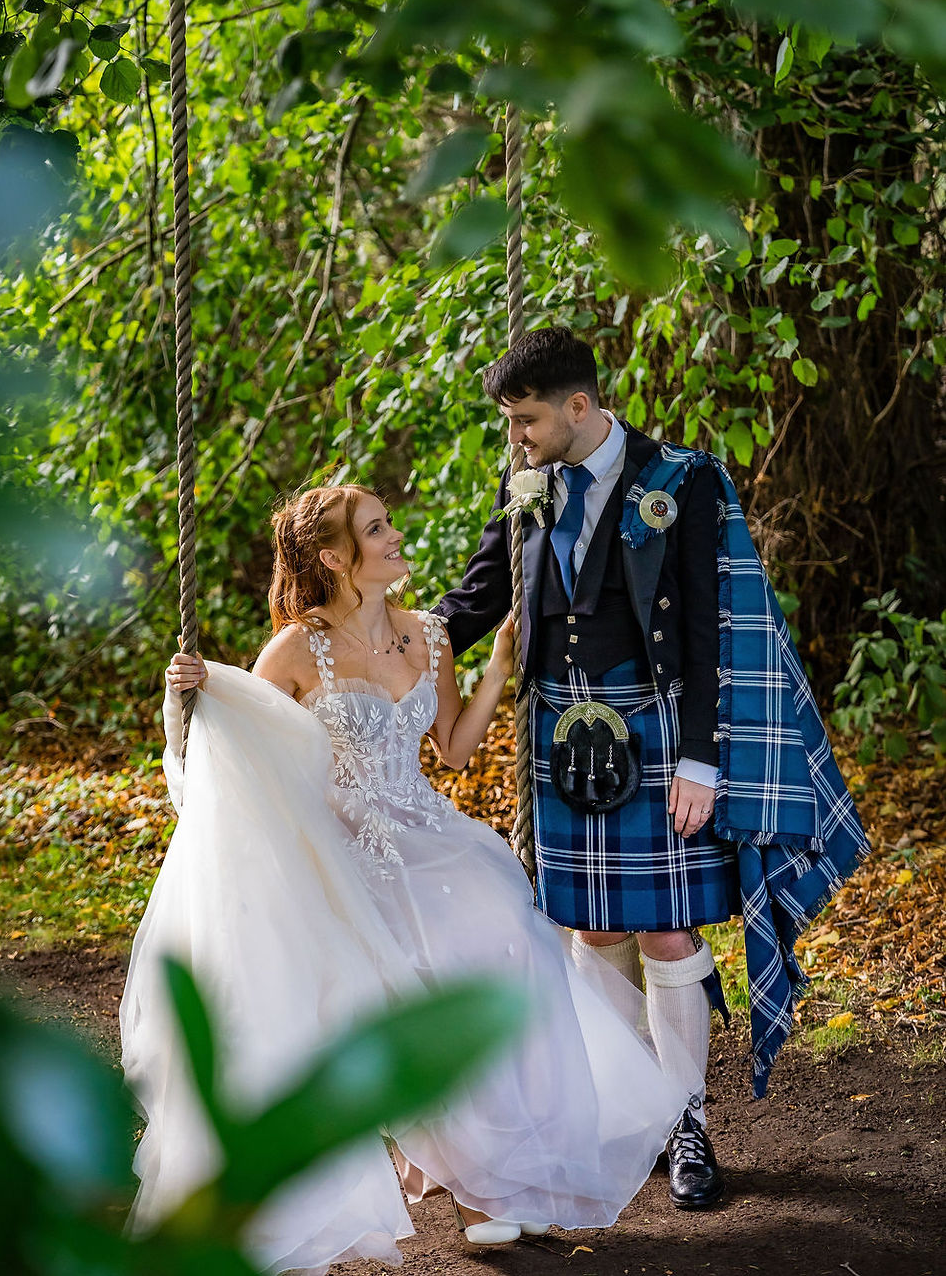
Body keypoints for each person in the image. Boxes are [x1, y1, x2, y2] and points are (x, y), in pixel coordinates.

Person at [121, 483, 703, 1276]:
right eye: (376, 529)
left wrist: (499, 667)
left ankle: (486, 1170)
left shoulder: (427, 636)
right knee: (401, 972)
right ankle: (464, 1181)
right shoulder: (295, 650)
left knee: (505, 937)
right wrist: (185, 698)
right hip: (341, 850)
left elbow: (456, 750)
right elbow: (239, 757)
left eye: (390, 521)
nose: (396, 536)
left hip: (432, 838)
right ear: (335, 558)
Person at [435, 326, 870, 1210]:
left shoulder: (685, 482)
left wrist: (703, 761)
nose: (514, 436)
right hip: (564, 740)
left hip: (658, 736)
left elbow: (713, 631)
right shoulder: (527, 484)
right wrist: (379, 641)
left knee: (670, 935)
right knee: (593, 933)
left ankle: (686, 1122)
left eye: (525, 419)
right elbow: (481, 592)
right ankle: (624, 1113)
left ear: (580, 408)